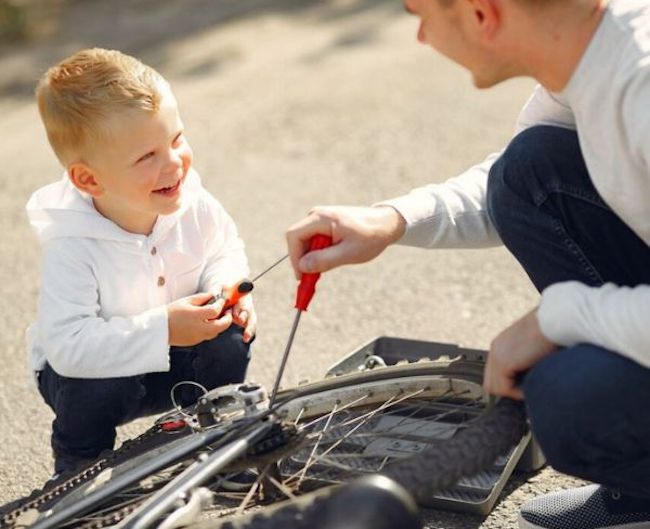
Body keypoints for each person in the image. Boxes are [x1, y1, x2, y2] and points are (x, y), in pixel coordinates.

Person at [286, 1, 650, 528]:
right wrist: (390, 221)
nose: (420, 37)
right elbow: (508, 180)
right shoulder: (590, 50)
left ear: (482, 14)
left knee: (566, 400)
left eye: (421, 13)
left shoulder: (640, 84)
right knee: (526, 172)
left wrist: (557, 317)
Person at [27, 48, 256, 475]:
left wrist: (227, 285)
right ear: (89, 179)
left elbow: (225, 247)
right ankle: (79, 461)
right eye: (146, 156)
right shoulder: (73, 245)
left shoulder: (195, 204)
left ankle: (213, 433)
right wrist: (164, 328)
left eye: (176, 139)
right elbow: (69, 348)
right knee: (89, 382)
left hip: (179, 361)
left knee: (231, 336)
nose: (174, 162)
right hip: (93, 380)